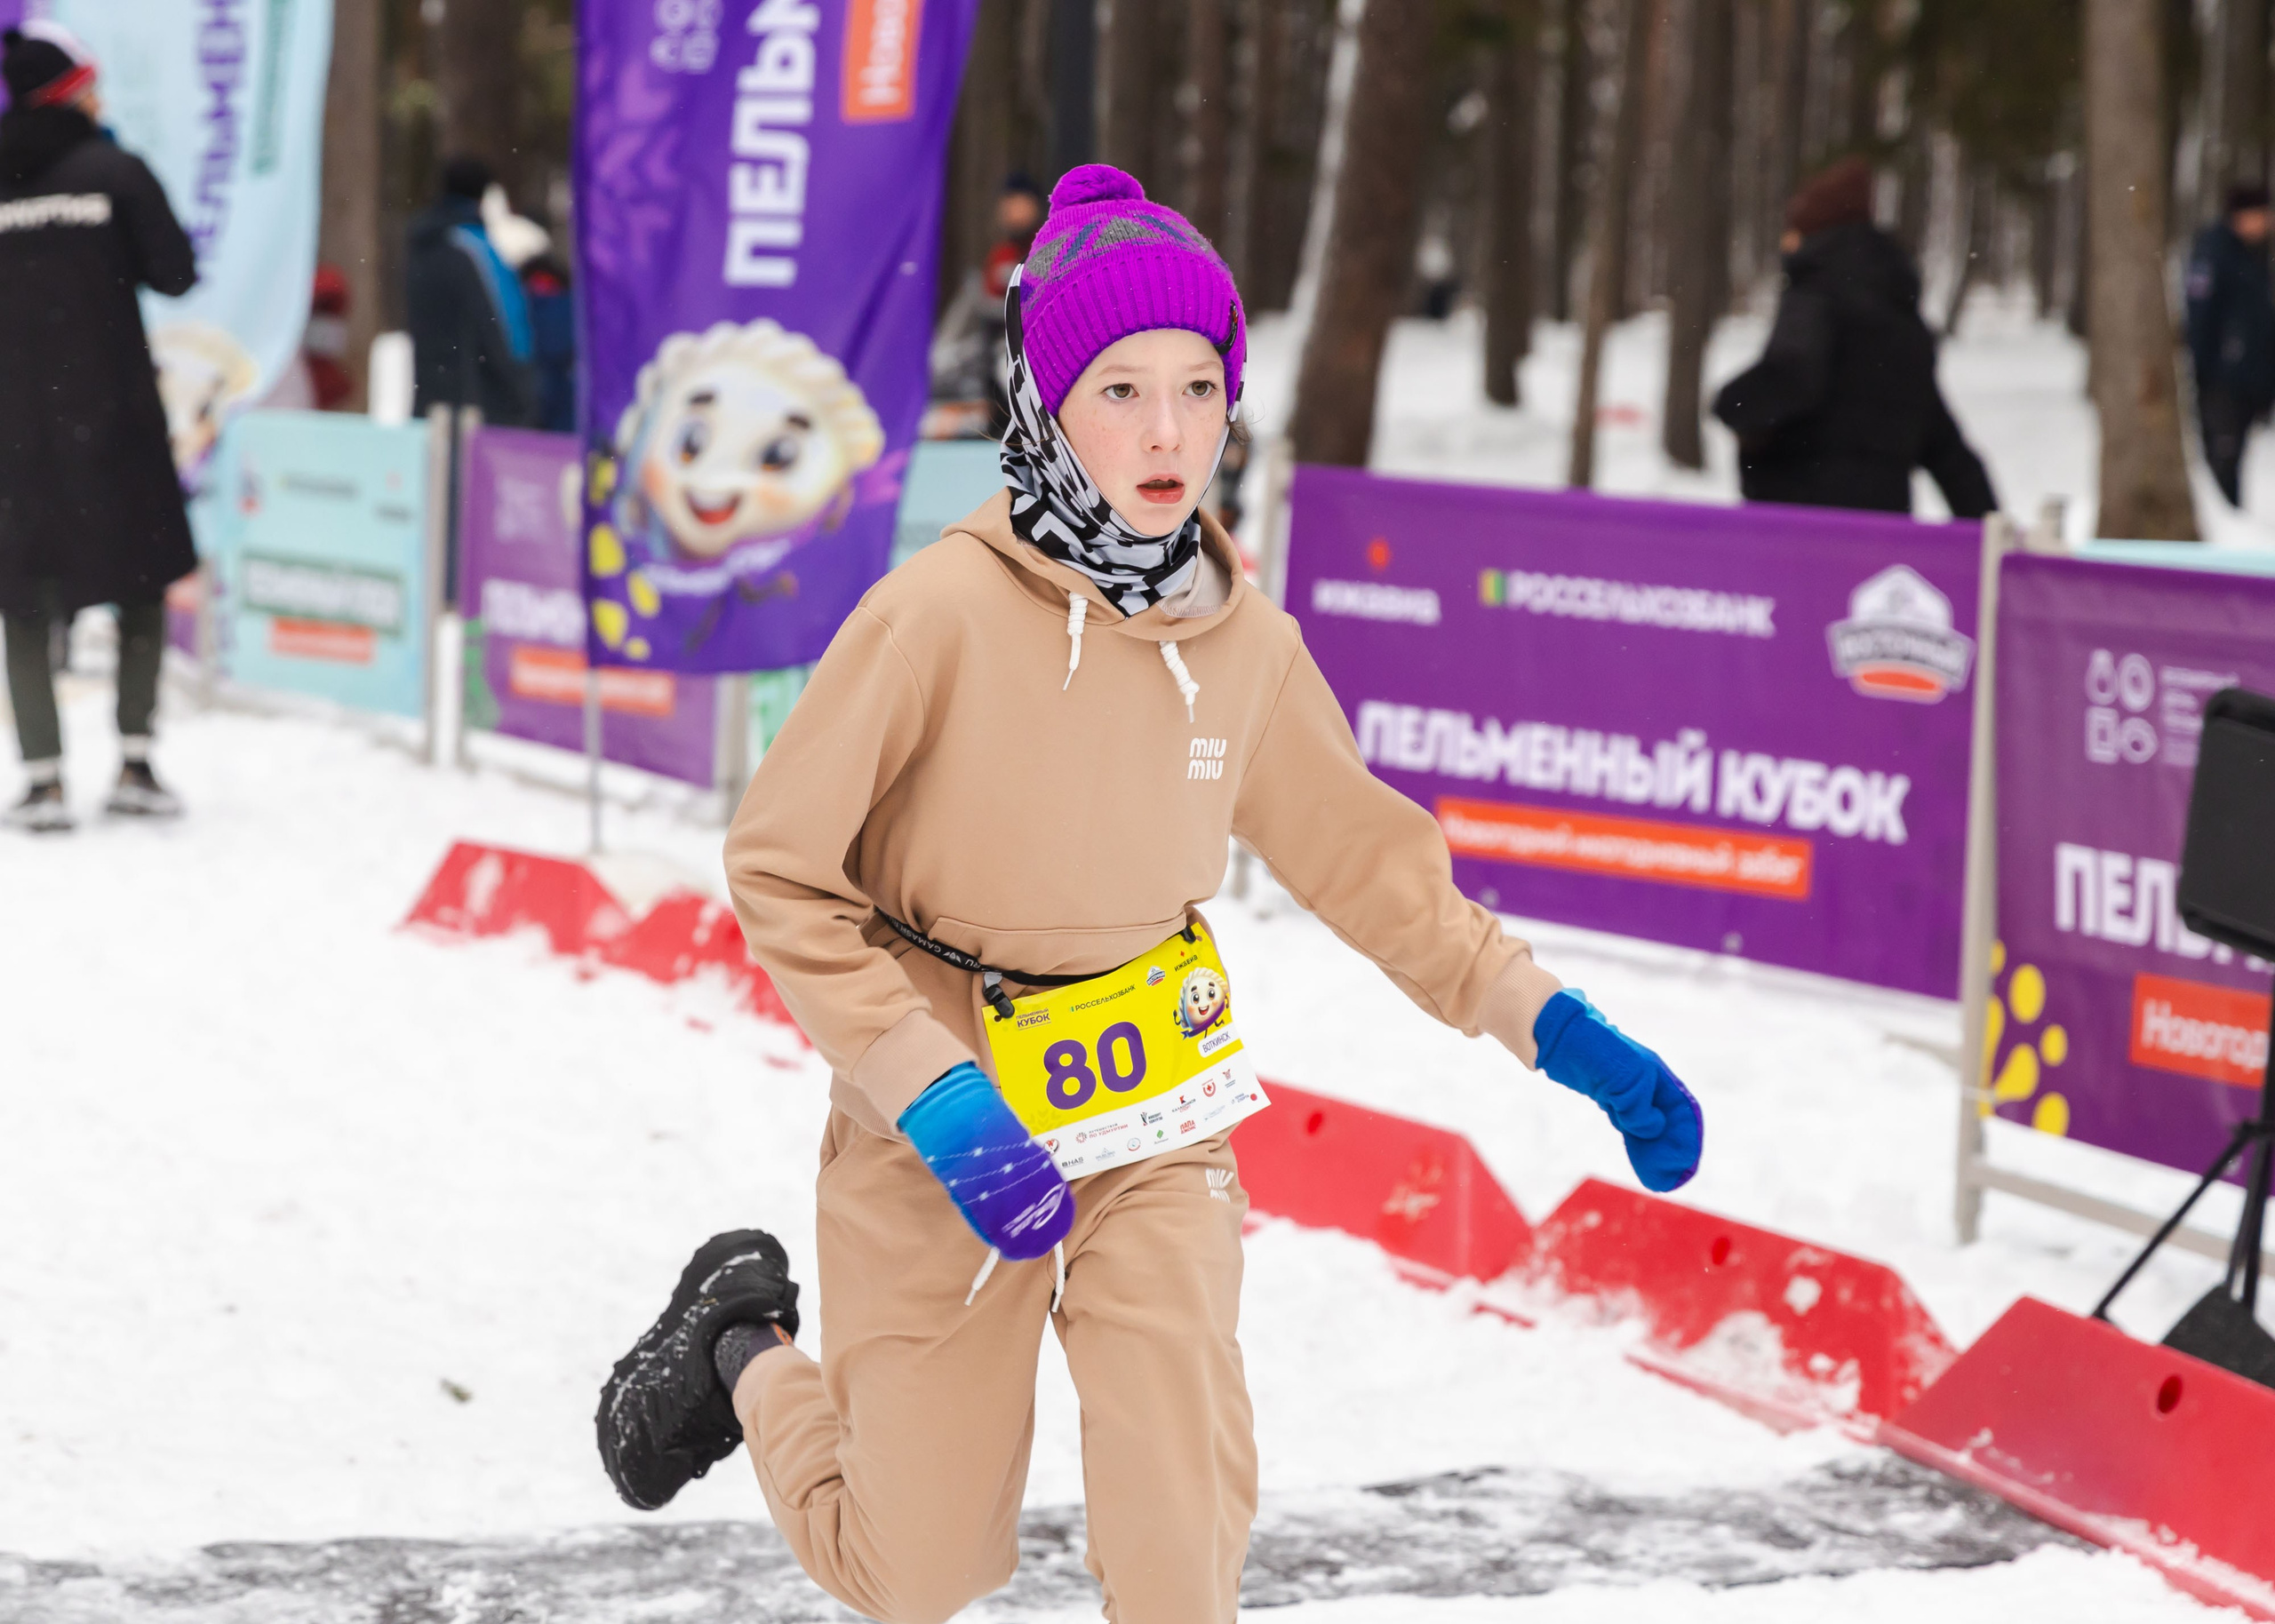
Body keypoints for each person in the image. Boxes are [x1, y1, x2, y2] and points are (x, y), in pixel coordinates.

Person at [595, 165, 1704, 1623]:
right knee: (915, 1571)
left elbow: (1379, 873)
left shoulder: (1244, 644)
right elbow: (782, 867)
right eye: (1121, 388)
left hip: (1151, 1112)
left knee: (1182, 1544)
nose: (1169, 429)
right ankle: (742, 1334)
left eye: (1198, 385)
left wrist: (1553, 1024)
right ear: (1050, 405)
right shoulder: (933, 616)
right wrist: (933, 1090)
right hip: (942, 1122)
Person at [0, 26, 198, 832]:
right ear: (72, 95)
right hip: (114, 422)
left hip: (14, 431)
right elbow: (177, 274)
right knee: (141, 583)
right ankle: (136, 762)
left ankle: (43, 779)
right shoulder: (114, 172)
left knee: (20, 599)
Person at [1713, 155, 1997, 521]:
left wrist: (1731, 404)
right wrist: (1990, 530)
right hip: (1878, 528)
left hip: (1799, 519)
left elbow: (1793, 375)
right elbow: (1941, 440)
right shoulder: (1901, 315)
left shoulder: (1815, 294)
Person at [404, 156, 536, 427]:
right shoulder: (475, 248)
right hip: (478, 405)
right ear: (483, 195)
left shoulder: (423, 244)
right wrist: (523, 391)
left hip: (428, 397)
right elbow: (505, 325)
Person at [2185, 184, 2275, 509]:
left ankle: (2231, 519)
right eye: (2262, 215)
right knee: (2221, 458)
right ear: (2242, 215)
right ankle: (2223, 524)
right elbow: (2200, 317)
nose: (2267, 222)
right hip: (2222, 381)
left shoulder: (2253, 254)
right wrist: (2206, 372)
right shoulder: (2215, 251)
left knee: (2235, 458)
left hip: (2251, 378)